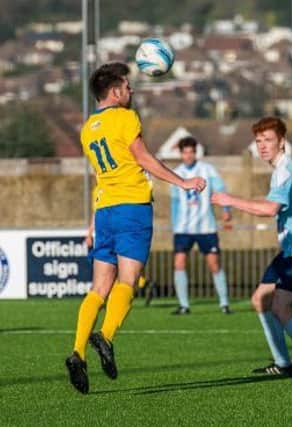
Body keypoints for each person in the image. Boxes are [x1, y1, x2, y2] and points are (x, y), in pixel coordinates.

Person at [66, 62, 206, 394]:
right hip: (132, 209)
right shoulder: (125, 118)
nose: (132, 92)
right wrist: (182, 182)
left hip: (105, 211)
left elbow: (100, 178)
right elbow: (144, 158)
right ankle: (107, 336)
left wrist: (91, 221)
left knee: (98, 289)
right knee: (127, 281)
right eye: (127, 87)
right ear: (114, 92)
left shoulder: (88, 128)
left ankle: (77, 351)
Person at [212, 117, 292, 378]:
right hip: (291, 249)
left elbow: (269, 209)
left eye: (268, 140)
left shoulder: (286, 171)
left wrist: (229, 199)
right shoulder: (281, 170)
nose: (262, 146)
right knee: (260, 299)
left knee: (281, 306)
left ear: (282, 143)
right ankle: (283, 363)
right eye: (258, 141)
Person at [170, 136, 232, 315]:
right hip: (183, 228)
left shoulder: (207, 170)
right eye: (185, 152)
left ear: (195, 152)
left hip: (206, 226)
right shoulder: (176, 172)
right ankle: (184, 305)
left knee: (214, 264)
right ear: (180, 154)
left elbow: (220, 189)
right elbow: (174, 201)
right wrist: (175, 224)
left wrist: (226, 209)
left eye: (191, 152)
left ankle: (224, 303)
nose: (188, 155)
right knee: (179, 263)